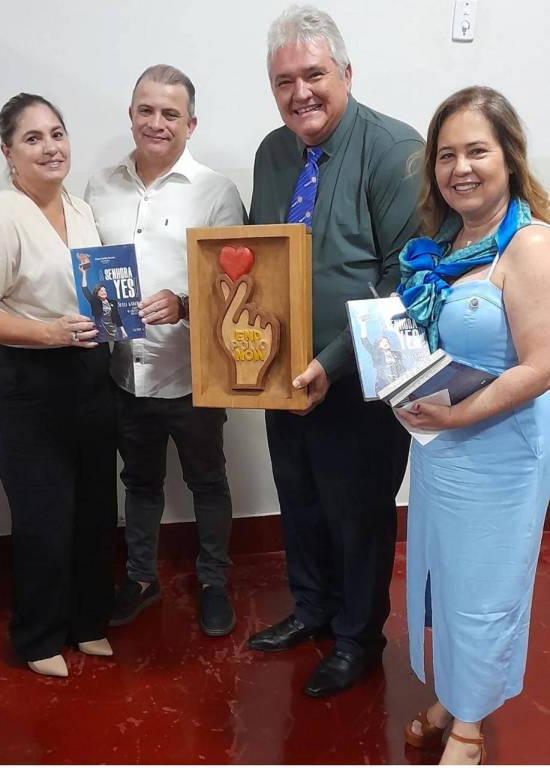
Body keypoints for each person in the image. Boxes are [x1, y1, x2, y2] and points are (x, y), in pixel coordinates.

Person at [247, 5, 422, 697]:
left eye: (314, 75)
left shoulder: (395, 150)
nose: (300, 93)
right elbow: (258, 260)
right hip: (282, 371)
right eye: (283, 81)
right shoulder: (272, 152)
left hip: (362, 374)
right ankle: (312, 608)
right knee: (299, 498)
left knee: (359, 514)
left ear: (346, 72)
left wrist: (331, 361)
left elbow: (406, 281)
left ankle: (357, 639)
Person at [398, 86, 550, 764]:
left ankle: (470, 727)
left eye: (477, 151)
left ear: (508, 158)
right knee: (449, 582)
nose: (460, 168)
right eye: (446, 154)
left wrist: (457, 414)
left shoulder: (530, 246)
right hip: (443, 448)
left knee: (486, 590)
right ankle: (456, 696)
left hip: (501, 453)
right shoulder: (444, 246)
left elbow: (543, 365)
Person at [86, 65, 245, 636]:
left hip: (193, 373)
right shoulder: (99, 187)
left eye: (170, 113)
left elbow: (238, 288)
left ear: (190, 124)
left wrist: (182, 303)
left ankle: (214, 581)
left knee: (208, 482)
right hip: (123, 374)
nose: (157, 123)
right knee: (139, 483)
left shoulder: (217, 191)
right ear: (131, 115)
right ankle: (140, 578)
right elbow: (87, 271)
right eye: (146, 110)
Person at [0, 94, 117, 678]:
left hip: (87, 372)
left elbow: (97, 293)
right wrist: (46, 333)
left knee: (94, 506)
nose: (50, 147)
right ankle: (37, 635)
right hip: (25, 382)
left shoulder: (81, 209)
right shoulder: (1, 216)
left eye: (56, 133)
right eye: (32, 138)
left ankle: (87, 622)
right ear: (8, 152)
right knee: (45, 513)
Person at [80, 265, 128, 342]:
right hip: (101, 331)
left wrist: (123, 331)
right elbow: (84, 289)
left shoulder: (113, 302)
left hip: (113, 330)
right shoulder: (94, 302)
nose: (104, 292)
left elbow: (117, 317)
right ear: (97, 293)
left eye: (105, 290)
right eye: (101, 291)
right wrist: (84, 273)